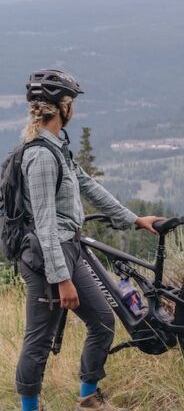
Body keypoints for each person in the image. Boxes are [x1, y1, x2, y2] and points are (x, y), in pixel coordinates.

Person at [15, 69, 160, 411]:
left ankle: (88, 398)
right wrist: (62, 279)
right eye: (72, 103)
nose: (74, 109)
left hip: (69, 249)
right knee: (39, 340)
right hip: (45, 259)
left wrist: (134, 220)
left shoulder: (58, 150)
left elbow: (89, 186)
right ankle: (29, 407)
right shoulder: (40, 157)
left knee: (103, 320)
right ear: (61, 107)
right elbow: (46, 226)